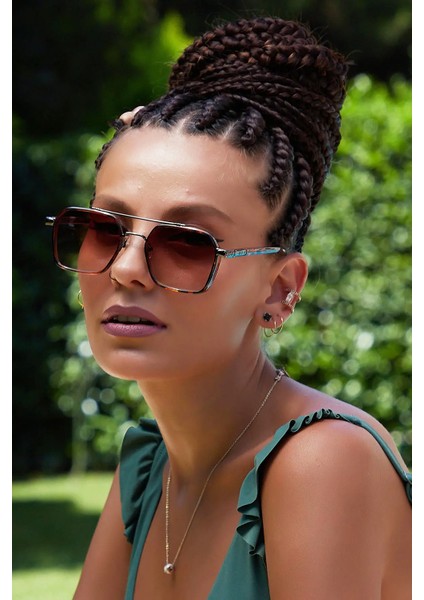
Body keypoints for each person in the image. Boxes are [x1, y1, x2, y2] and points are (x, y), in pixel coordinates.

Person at [47, 16, 411, 599]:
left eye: (187, 243)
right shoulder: (147, 467)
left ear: (279, 288)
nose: (125, 267)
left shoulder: (323, 461)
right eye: (105, 229)